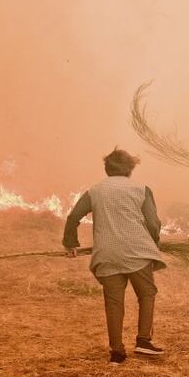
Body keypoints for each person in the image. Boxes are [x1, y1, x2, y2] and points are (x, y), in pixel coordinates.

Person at [63, 148, 166, 364]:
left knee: (113, 303)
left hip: (107, 253)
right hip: (138, 252)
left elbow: (73, 217)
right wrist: (153, 243)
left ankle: (117, 353)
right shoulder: (142, 189)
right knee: (147, 293)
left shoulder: (95, 191)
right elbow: (153, 223)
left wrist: (70, 243)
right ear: (130, 169)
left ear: (107, 169)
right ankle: (143, 341)